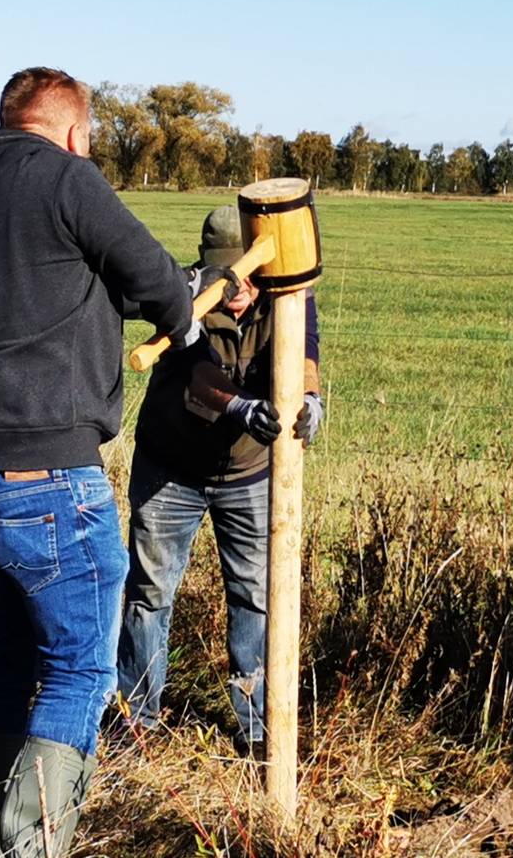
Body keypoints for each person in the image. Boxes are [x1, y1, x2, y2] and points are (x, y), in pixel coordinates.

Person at [0, 67, 196, 856]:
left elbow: (64, 282)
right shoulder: (66, 178)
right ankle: (26, 850)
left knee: (10, 662)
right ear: (76, 132)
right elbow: (152, 278)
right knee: (82, 672)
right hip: (50, 470)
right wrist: (183, 308)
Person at [116, 205, 323, 755]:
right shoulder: (181, 295)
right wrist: (238, 408)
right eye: (222, 273)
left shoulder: (290, 295)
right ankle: (136, 722)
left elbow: (305, 351)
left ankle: (256, 728)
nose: (233, 286)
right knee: (149, 593)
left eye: (243, 273)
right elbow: (195, 372)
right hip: (172, 469)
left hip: (248, 474)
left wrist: (311, 397)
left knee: (253, 596)